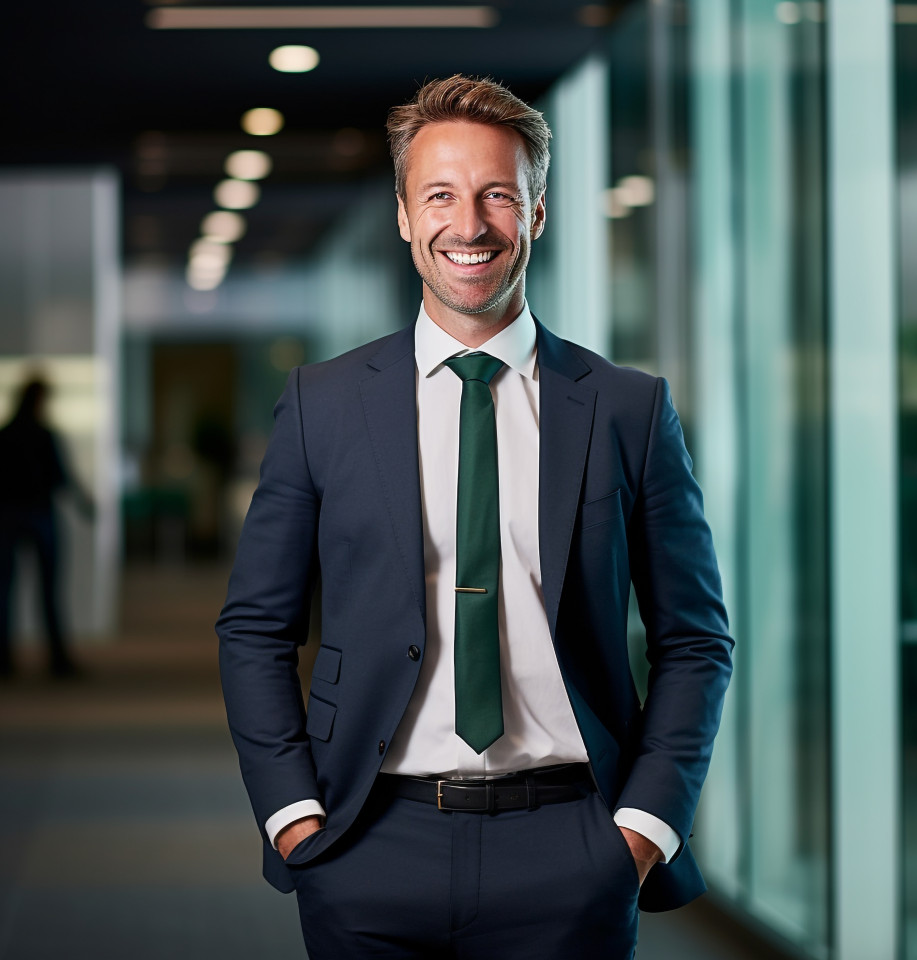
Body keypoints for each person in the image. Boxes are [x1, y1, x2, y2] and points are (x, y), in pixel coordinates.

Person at [218, 75, 733, 959]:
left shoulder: (625, 409)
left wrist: (642, 829)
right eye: (441, 196)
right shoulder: (323, 405)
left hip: (571, 845)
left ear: (535, 213)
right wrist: (294, 819)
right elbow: (254, 627)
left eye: (498, 195)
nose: (470, 225)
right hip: (368, 844)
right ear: (405, 215)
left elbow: (696, 639)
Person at [0, 376, 93, 678]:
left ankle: (5, 660)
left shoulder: (6, 435)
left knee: (5, 591)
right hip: (38, 514)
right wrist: (84, 503)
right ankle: (57, 660)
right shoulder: (43, 435)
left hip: (10, 515)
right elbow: (61, 476)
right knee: (49, 591)